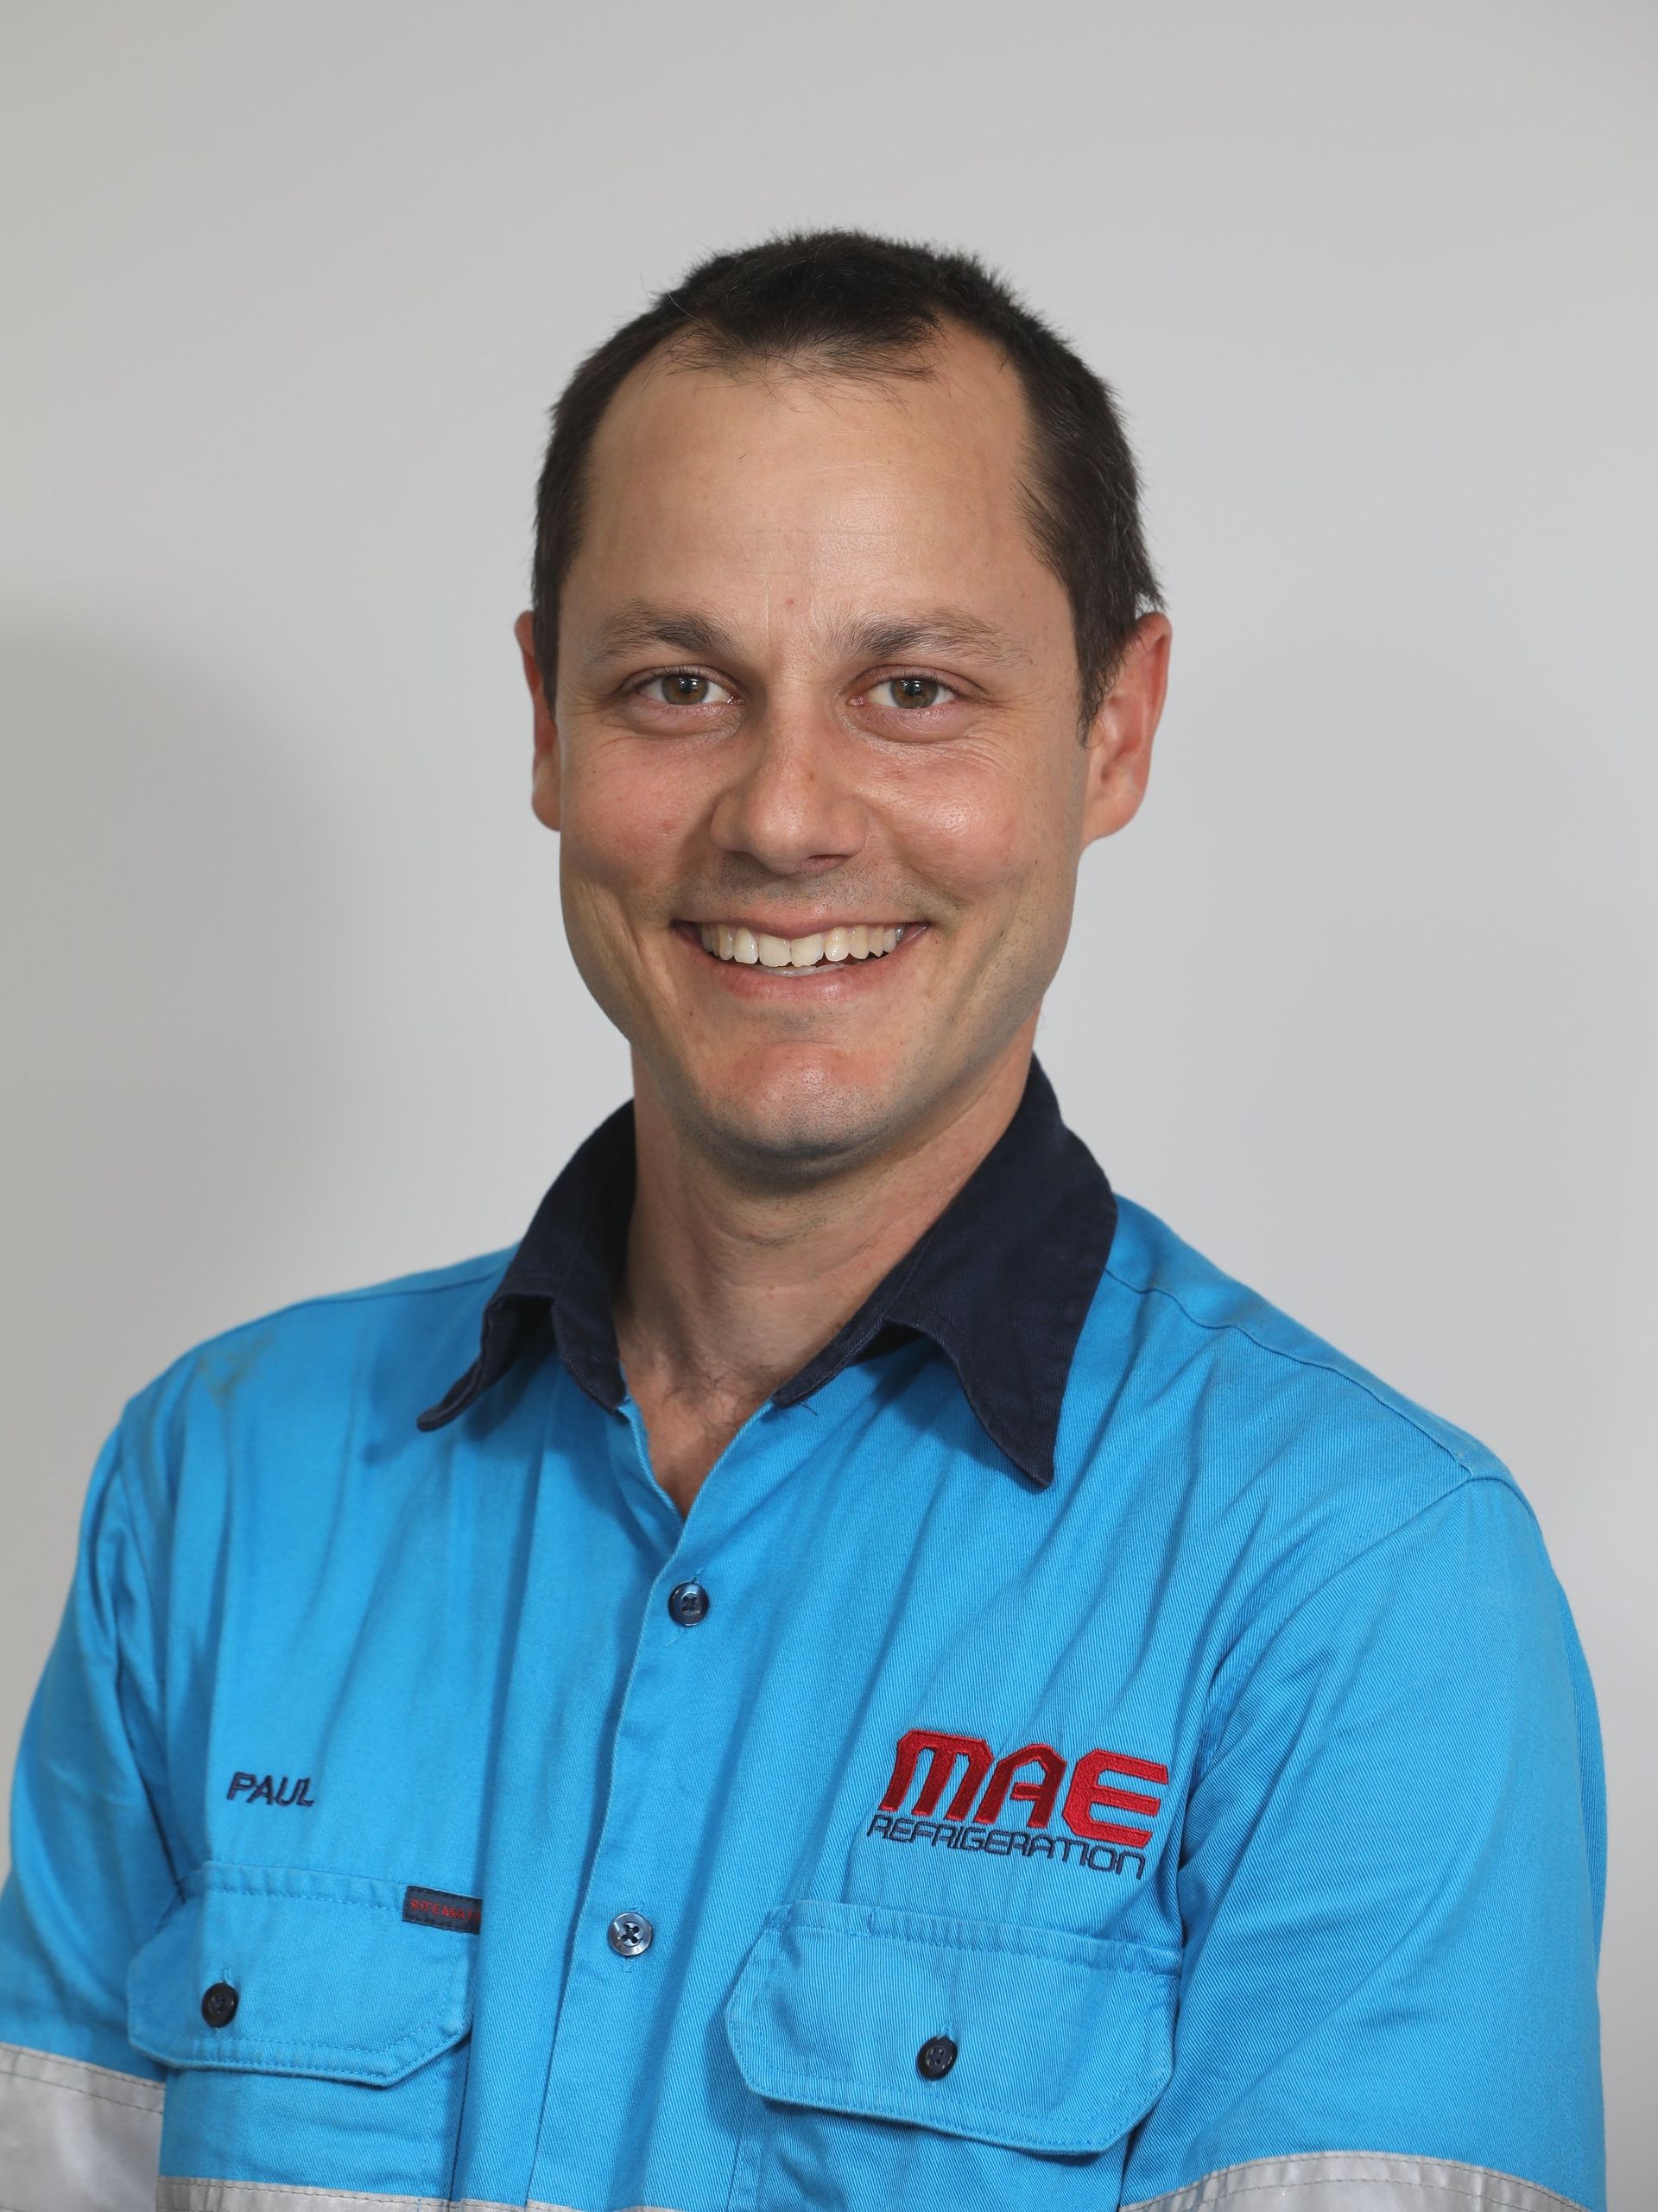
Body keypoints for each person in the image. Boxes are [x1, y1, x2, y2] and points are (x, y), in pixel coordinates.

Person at [0, 231, 1604, 2212]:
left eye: (912, 688)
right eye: (680, 685)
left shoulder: (1363, 1589)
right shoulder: (215, 1486)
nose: (784, 814)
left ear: (1114, 726)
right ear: (546, 721)